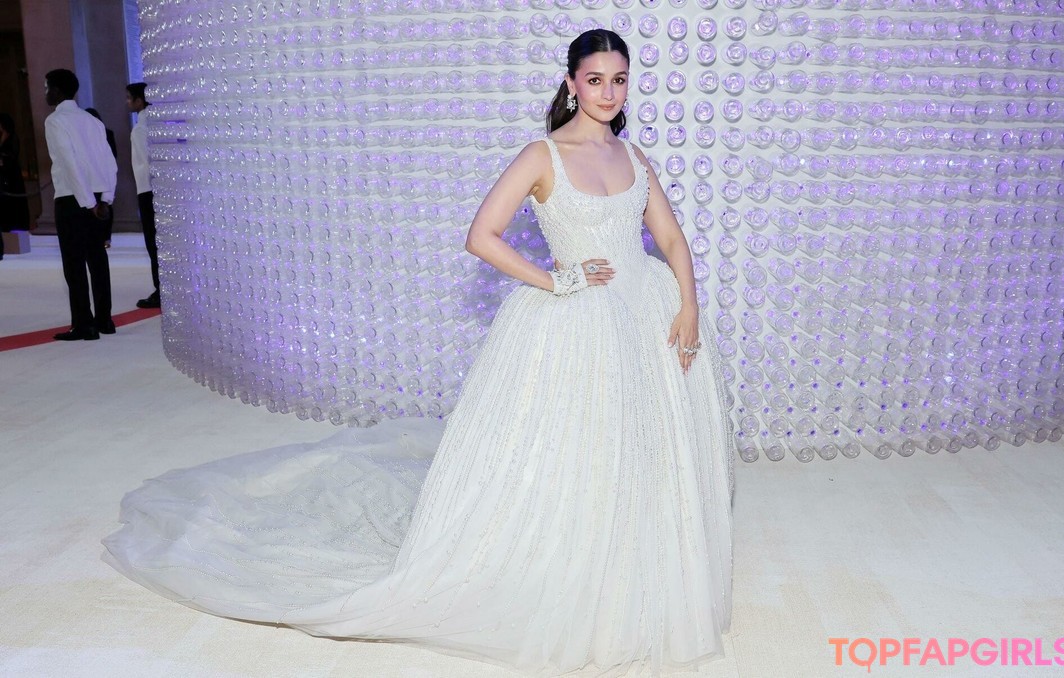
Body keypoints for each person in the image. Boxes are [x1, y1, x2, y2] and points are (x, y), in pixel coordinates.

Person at [103, 30, 734, 674]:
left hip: (645, 312)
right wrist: (557, 280)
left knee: (645, 446)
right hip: (580, 323)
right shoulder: (542, 155)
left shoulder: (634, 156)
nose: (608, 92)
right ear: (572, 83)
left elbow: (671, 241)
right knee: (579, 452)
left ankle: (636, 571)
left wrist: (687, 306)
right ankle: (573, 571)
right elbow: (481, 236)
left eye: (619, 79)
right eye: (595, 79)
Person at [44, 68, 118, 340]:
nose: (45, 93)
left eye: (47, 88)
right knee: (97, 259)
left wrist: (87, 202)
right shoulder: (92, 121)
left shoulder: (55, 121)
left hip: (72, 199)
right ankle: (104, 320)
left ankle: (84, 324)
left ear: (57, 90)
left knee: (74, 263)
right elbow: (110, 162)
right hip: (97, 197)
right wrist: (105, 199)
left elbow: (69, 162)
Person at [126, 82, 160, 308]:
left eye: (129, 98)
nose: (127, 102)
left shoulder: (140, 129)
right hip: (159, 189)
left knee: (153, 242)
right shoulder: (158, 123)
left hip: (148, 190)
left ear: (139, 100)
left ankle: (160, 289)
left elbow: (146, 163)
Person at [84, 108, 117, 247]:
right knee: (103, 205)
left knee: (105, 205)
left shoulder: (106, 133)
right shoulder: (85, 137)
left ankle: (105, 237)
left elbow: (112, 156)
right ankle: (103, 237)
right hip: (97, 176)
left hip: (101, 175)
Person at [0, 112, 30, 261]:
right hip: (4, 179)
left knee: (11, 205)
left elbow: (10, 157)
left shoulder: (12, 139)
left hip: (10, 179)